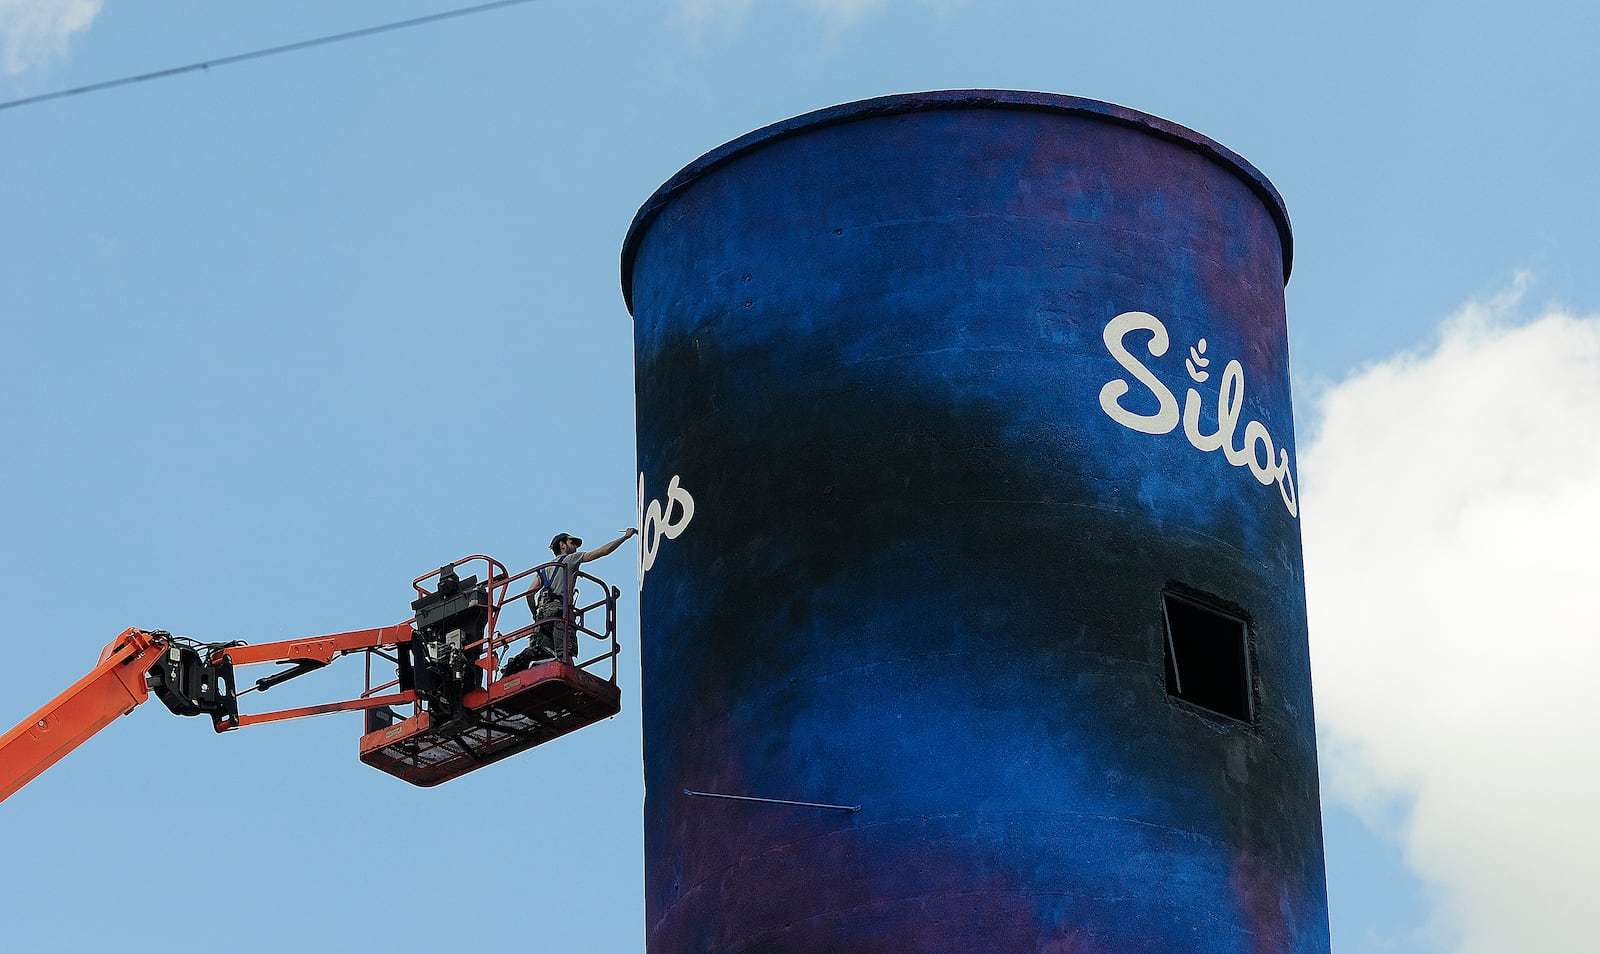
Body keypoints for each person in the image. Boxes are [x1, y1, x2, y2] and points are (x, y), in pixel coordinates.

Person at [520, 528, 637, 667]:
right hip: (559, 612)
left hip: (543, 617)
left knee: (544, 655)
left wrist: (535, 614)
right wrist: (625, 537)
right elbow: (602, 551)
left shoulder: (545, 569)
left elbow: (529, 594)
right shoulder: (571, 559)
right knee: (565, 655)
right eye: (572, 542)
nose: (575, 546)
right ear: (562, 545)